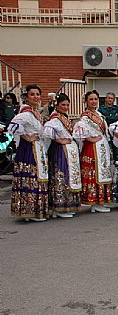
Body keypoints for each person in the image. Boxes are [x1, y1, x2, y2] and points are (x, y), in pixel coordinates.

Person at [9, 84, 49, 221]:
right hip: (28, 149)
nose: (36, 97)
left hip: (38, 147)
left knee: (38, 177)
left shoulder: (36, 113)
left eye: (37, 94)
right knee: (30, 178)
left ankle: (36, 210)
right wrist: (27, 137)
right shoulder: (25, 113)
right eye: (32, 95)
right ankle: (28, 210)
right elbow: (13, 127)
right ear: (26, 97)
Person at [73, 90, 112, 213]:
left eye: (95, 99)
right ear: (86, 101)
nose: (94, 102)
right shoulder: (85, 117)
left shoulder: (99, 115)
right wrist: (90, 138)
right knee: (94, 173)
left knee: (102, 172)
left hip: (101, 147)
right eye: (91, 99)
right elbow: (78, 133)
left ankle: (100, 201)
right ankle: (94, 202)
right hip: (92, 148)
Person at [43, 93, 81, 218]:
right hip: (60, 151)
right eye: (63, 105)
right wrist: (60, 140)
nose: (65, 107)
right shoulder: (55, 118)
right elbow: (47, 132)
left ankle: (65, 206)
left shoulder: (64, 117)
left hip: (67, 151)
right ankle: (58, 208)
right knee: (60, 175)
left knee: (68, 176)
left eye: (67, 105)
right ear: (57, 105)